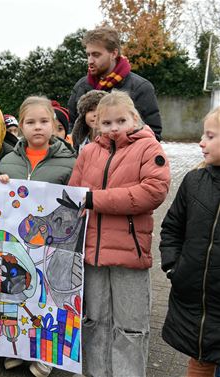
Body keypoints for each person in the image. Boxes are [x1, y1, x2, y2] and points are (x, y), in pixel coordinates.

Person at [68, 91, 170, 376]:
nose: (114, 128)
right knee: (94, 321)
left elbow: (152, 192)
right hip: (92, 252)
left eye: (121, 121)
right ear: (96, 124)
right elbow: (75, 195)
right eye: (107, 122)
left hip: (130, 252)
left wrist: (95, 200)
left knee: (130, 327)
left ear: (134, 118)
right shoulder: (87, 153)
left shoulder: (149, 149)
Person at [0, 96, 76, 376]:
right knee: (14, 291)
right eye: (30, 122)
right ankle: (16, 349)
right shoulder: (8, 160)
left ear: (54, 125)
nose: (37, 127)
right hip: (15, 243)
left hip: (51, 246)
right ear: (20, 126)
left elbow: (75, 200)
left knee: (46, 294)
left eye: (44, 121)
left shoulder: (69, 160)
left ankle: (46, 352)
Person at [160, 106, 220, 377]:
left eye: (210, 136)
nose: (201, 142)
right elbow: (172, 227)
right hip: (198, 303)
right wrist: (174, 266)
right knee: (200, 362)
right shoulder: (194, 181)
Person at [67, 26, 162, 141]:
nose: (90, 61)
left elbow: (152, 133)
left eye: (96, 55)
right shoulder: (81, 86)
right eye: (88, 55)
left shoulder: (140, 87)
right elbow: (70, 125)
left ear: (113, 54)